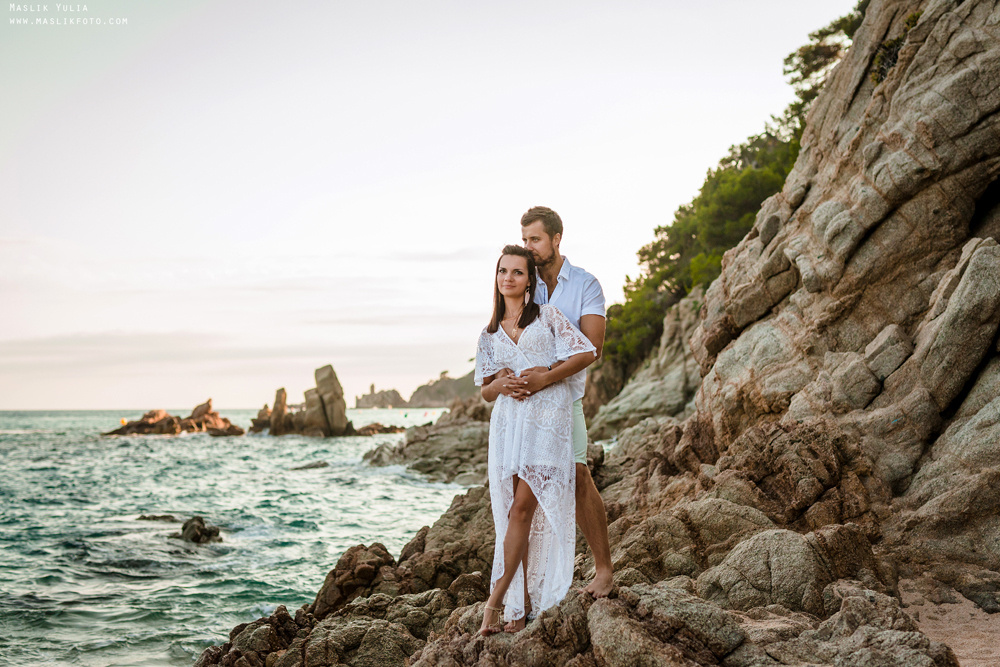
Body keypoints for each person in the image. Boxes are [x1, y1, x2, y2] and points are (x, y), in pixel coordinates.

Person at [475, 245, 597, 636]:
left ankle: (494, 604)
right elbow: (484, 391)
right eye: (502, 271)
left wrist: (546, 375)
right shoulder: (489, 333)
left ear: (529, 281)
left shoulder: (547, 317)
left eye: (517, 272)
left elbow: (585, 351)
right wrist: (500, 383)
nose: (508, 278)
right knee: (512, 513)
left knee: (522, 510)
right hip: (510, 427)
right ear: (496, 279)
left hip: (547, 421)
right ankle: (520, 602)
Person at [499, 206, 614, 599]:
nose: (528, 246)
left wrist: (546, 376)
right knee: (521, 493)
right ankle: (525, 591)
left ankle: (603, 570)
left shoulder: (585, 285)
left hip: (564, 401)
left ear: (556, 239)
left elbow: (593, 347)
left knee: (579, 477)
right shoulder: (524, 284)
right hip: (522, 409)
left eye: (535, 239)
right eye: (524, 238)